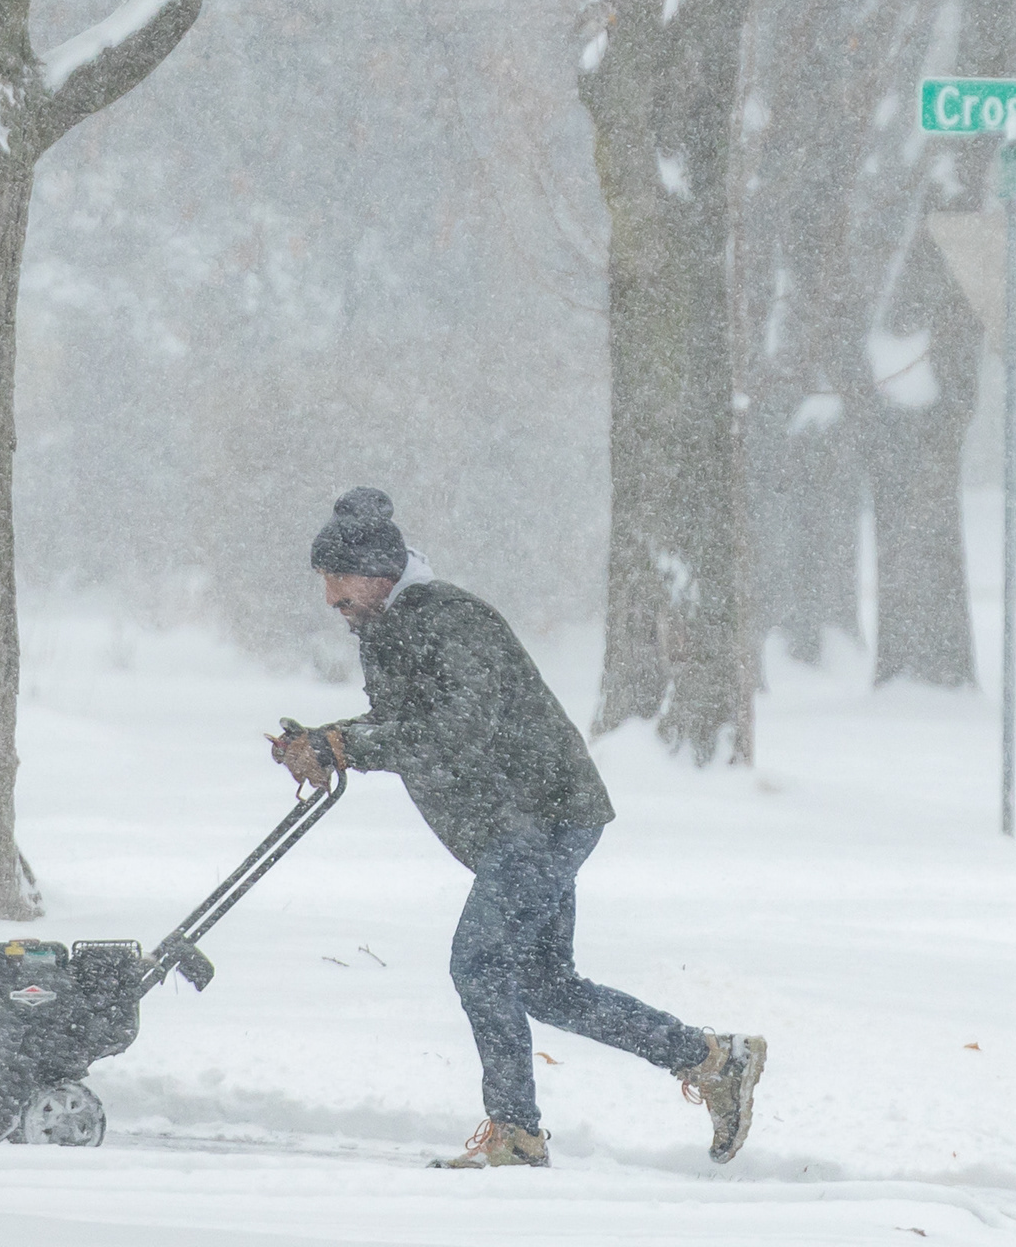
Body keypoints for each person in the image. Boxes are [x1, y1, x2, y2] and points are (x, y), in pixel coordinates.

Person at [268, 486, 766, 1171]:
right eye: (324, 582)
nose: (330, 598)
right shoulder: (389, 626)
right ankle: (713, 1059)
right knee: (545, 986)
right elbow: (410, 725)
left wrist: (348, 747)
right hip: (523, 819)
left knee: (479, 965)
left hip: (539, 816)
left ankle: (517, 1134)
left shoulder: (449, 620)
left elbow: (455, 728)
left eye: (338, 580)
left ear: (379, 572)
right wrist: (328, 739)